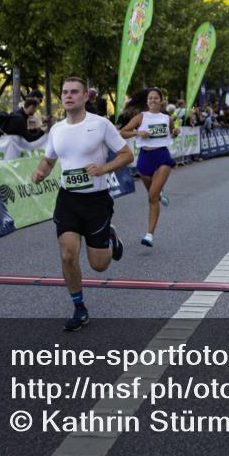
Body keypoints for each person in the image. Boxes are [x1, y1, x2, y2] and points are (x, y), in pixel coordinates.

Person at [31, 77, 131, 332]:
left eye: (74, 92)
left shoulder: (101, 125)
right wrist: (41, 172)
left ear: (85, 96)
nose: (68, 95)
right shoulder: (57, 129)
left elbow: (127, 155)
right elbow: (49, 160)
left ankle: (110, 236)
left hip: (96, 201)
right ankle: (79, 308)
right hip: (68, 199)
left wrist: (103, 168)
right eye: (65, 92)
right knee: (67, 254)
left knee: (99, 265)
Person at [120, 88, 179, 248]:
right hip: (145, 158)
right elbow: (122, 132)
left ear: (161, 101)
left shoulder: (167, 118)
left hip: (162, 157)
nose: (153, 100)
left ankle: (149, 235)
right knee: (153, 193)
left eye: (156, 98)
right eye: (150, 98)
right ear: (147, 101)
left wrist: (175, 132)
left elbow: (172, 134)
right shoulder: (141, 117)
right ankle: (160, 193)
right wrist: (137, 133)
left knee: (151, 197)